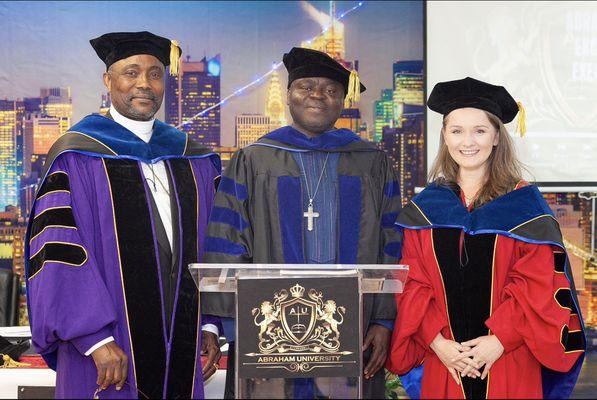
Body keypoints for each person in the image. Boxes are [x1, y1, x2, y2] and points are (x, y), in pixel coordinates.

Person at [24, 31, 222, 399]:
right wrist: (94, 338)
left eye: (155, 73)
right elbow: (58, 251)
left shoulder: (195, 160)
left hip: (182, 339)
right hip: (105, 346)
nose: (144, 84)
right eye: (131, 73)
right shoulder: (76, 156)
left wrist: (209, 323)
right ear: (108, 80)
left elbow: (214, 247)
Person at [202, 47, 401, 398]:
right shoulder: (253, 159)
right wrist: (234, 327)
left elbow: (391, 246)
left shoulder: (372, 162)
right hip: (268, 335)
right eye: (306, 87)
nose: (317, 96)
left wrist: (383, 320)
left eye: (330, 90)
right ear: (289, 95)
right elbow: (227, 244)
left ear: (343, 100)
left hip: (353, 326)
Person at [386, 77, 586, 398]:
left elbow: (538, 284)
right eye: (457, 130)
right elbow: (410, 283)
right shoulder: (425, 209)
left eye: (479, 130)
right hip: (447, 359)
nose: (468, 141)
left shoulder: (524, 205)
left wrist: (499, 340)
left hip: (508, 357)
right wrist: (437, 342)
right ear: (445, 136)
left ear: (496, 137)